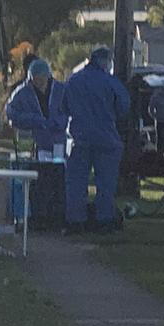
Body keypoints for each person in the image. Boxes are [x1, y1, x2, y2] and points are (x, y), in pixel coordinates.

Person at [62, 46, 130, 233]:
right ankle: (104, 221)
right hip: (106, 139)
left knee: (76, 182)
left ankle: (75, 221)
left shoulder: (74, 80)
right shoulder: (110, 82)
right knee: (105, 184)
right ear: (106, 61)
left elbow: (64, 106)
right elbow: (124, 107)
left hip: (80, 139)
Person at [5, 58, 69, 230]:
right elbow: (10, 112)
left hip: (57, 144)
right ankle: (36, 217)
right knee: (36, 180)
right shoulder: (22, 92)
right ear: (30, 78)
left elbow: (69, 111)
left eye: (42, 78)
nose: (39, 83)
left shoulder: (61, 90)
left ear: (49, 76)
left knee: (58, 178)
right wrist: (32, 120)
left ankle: (56, 216)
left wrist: (60, 122)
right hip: (35, 144)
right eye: (36, 79)